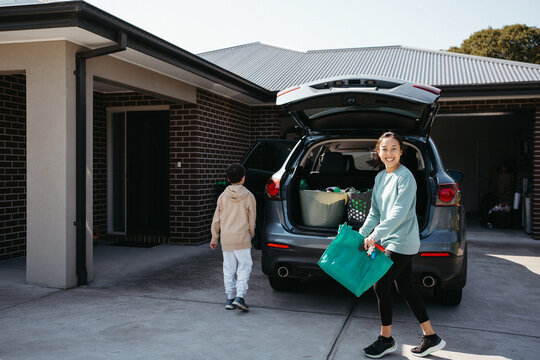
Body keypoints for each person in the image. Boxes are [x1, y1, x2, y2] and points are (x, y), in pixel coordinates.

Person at [359, 132, 446, 358]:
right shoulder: (380, 178)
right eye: (384, 149)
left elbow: (398, 214)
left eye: (394, 148)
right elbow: (375, 212)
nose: (389, 153)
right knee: (405, 287)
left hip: (402, 241)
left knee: (380, 285)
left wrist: (375, 235)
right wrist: (362, 234)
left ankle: (386, 339)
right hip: (389, 239)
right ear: (378, 152)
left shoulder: (405, 177)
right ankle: (431, 336)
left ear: (401, 152)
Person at [210, 163, 256, 312]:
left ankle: (230, 298)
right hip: (242, 238)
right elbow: (252, 219)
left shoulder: (222, 197)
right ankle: (240, 296)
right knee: (244, 267)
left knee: (228, 268)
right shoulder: (249, 196)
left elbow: (216, 218)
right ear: (244, 178)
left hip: (227, 238)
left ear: (228, 179)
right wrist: (252, 234)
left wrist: (214, 237)